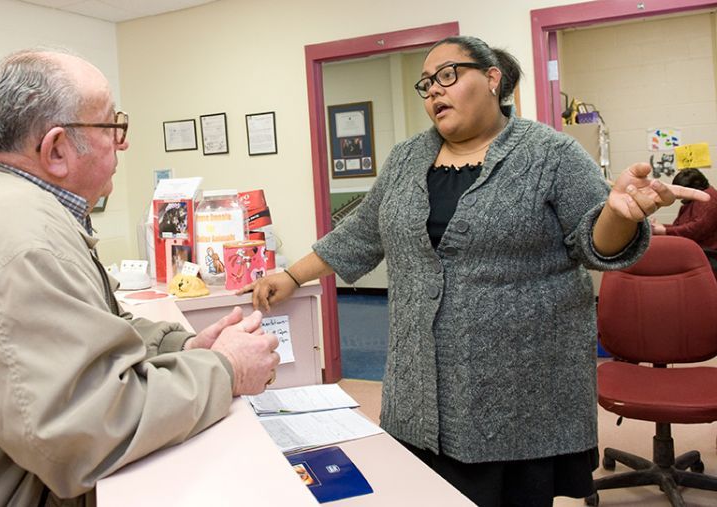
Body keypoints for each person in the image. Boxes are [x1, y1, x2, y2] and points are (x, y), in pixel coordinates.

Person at [241, 36, 708, 506]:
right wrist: (294, 275)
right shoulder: (406, 159)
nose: (434, 92)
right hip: (421, 387)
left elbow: (594, 243)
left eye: (448, 75)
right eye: (425, 85)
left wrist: (621, 215)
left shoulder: (551, 154)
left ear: (491, 78)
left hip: (523, 390)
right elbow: (362, 232)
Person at [0, 48, 280, 506]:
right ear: (56, 150)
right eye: (112, 126)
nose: (122, 143)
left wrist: (180, 347)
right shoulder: (21, 241)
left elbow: (83, 322)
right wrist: (227, 369)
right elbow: (88, 435)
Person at [651, 168, 717, 250]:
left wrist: (664, 230)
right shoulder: (700, 197)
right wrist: (660, 227)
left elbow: (695, 230)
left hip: (707, 253)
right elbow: (683, 226)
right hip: (699, 249)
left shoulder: (707, 199)